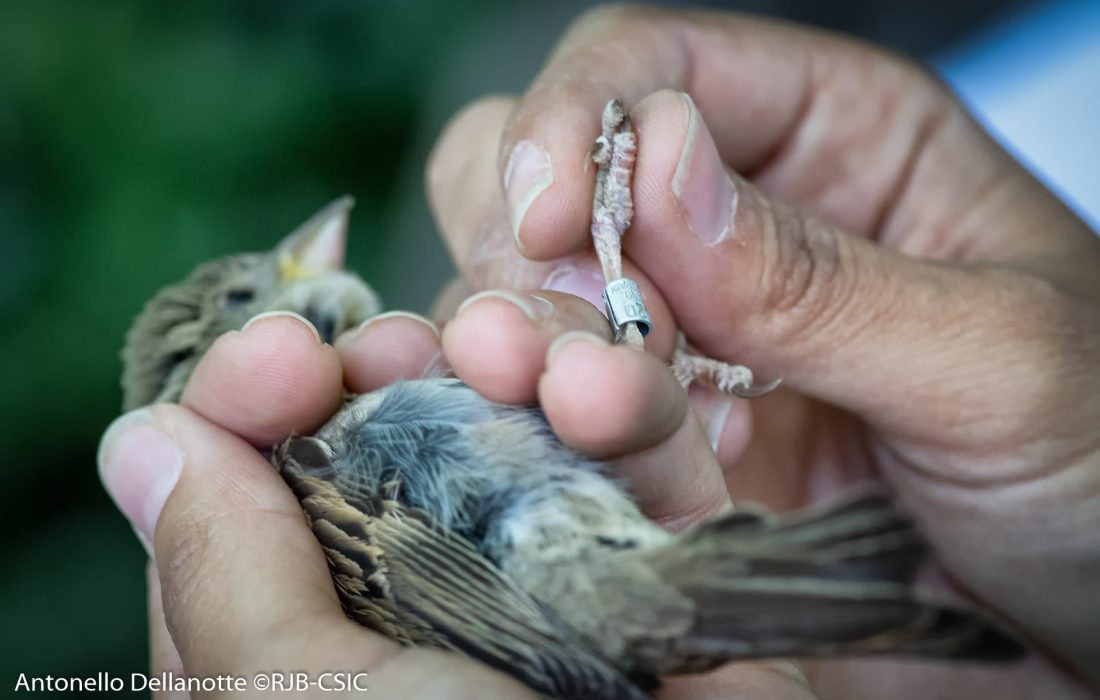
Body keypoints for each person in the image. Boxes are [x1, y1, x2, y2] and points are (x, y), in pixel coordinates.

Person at [97, 7, 1099, 699]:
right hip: (529, 579)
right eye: (254, 291)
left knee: (554, 356)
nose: (300, 263)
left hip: (569, 561)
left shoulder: (341, 390)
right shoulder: (295, 465)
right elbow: (464, 556)